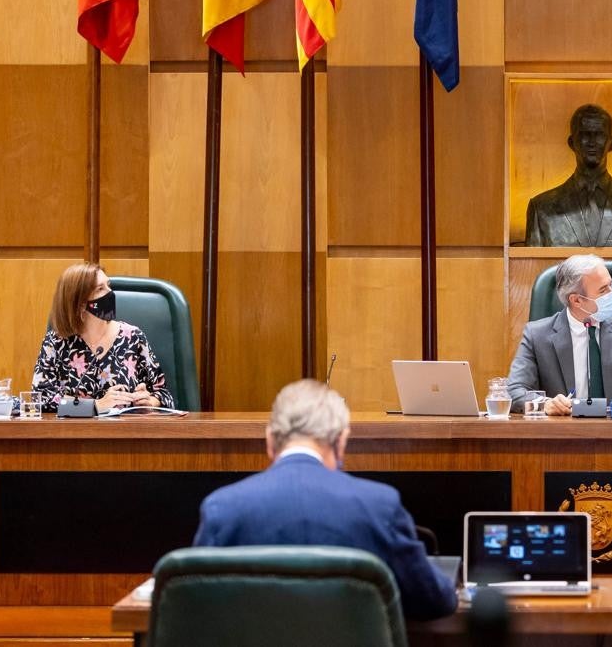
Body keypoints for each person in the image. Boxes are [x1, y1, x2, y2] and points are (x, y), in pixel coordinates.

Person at [193, 379, 457, 621]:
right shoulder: (380, 506)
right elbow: (435, 602)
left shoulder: (222, 509)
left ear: (270, 440)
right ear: (341, 441)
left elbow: (196, 607)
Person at [507, 254, 612, 414]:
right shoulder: (536, 335)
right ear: (576, 300)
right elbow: (514, 391)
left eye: (611, 285)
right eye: (603, 290)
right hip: (563, 435)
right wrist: (545, 404)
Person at [33, 263, 173, 412]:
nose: (110, 292)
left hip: (124, 432)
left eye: (108, 285)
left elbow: (164, 395)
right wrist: (95, 406)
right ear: (80, 304)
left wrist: (149, 401)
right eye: (100, 289)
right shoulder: (56, 342)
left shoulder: (133, 337)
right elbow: (41, 400)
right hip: (74, 433)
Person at [525, 104, 612, 247]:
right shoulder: (542, 209)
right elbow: (533, 268)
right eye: (584, 135)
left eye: (599, 135)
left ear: (611, 143)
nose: (592, 142)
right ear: (571, 142)